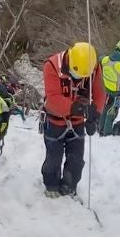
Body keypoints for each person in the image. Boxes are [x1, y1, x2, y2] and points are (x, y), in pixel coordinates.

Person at [40, 42, 106, 198]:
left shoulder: (93, 66)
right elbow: (54, 99)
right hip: (55, 120)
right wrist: (81, 109)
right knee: (53, 157)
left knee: (76, 159)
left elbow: (99, 93)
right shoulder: (52, 66)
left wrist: (94, 116)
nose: (79, 79)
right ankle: (51, 184)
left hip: (77, 122)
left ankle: (69, 185)